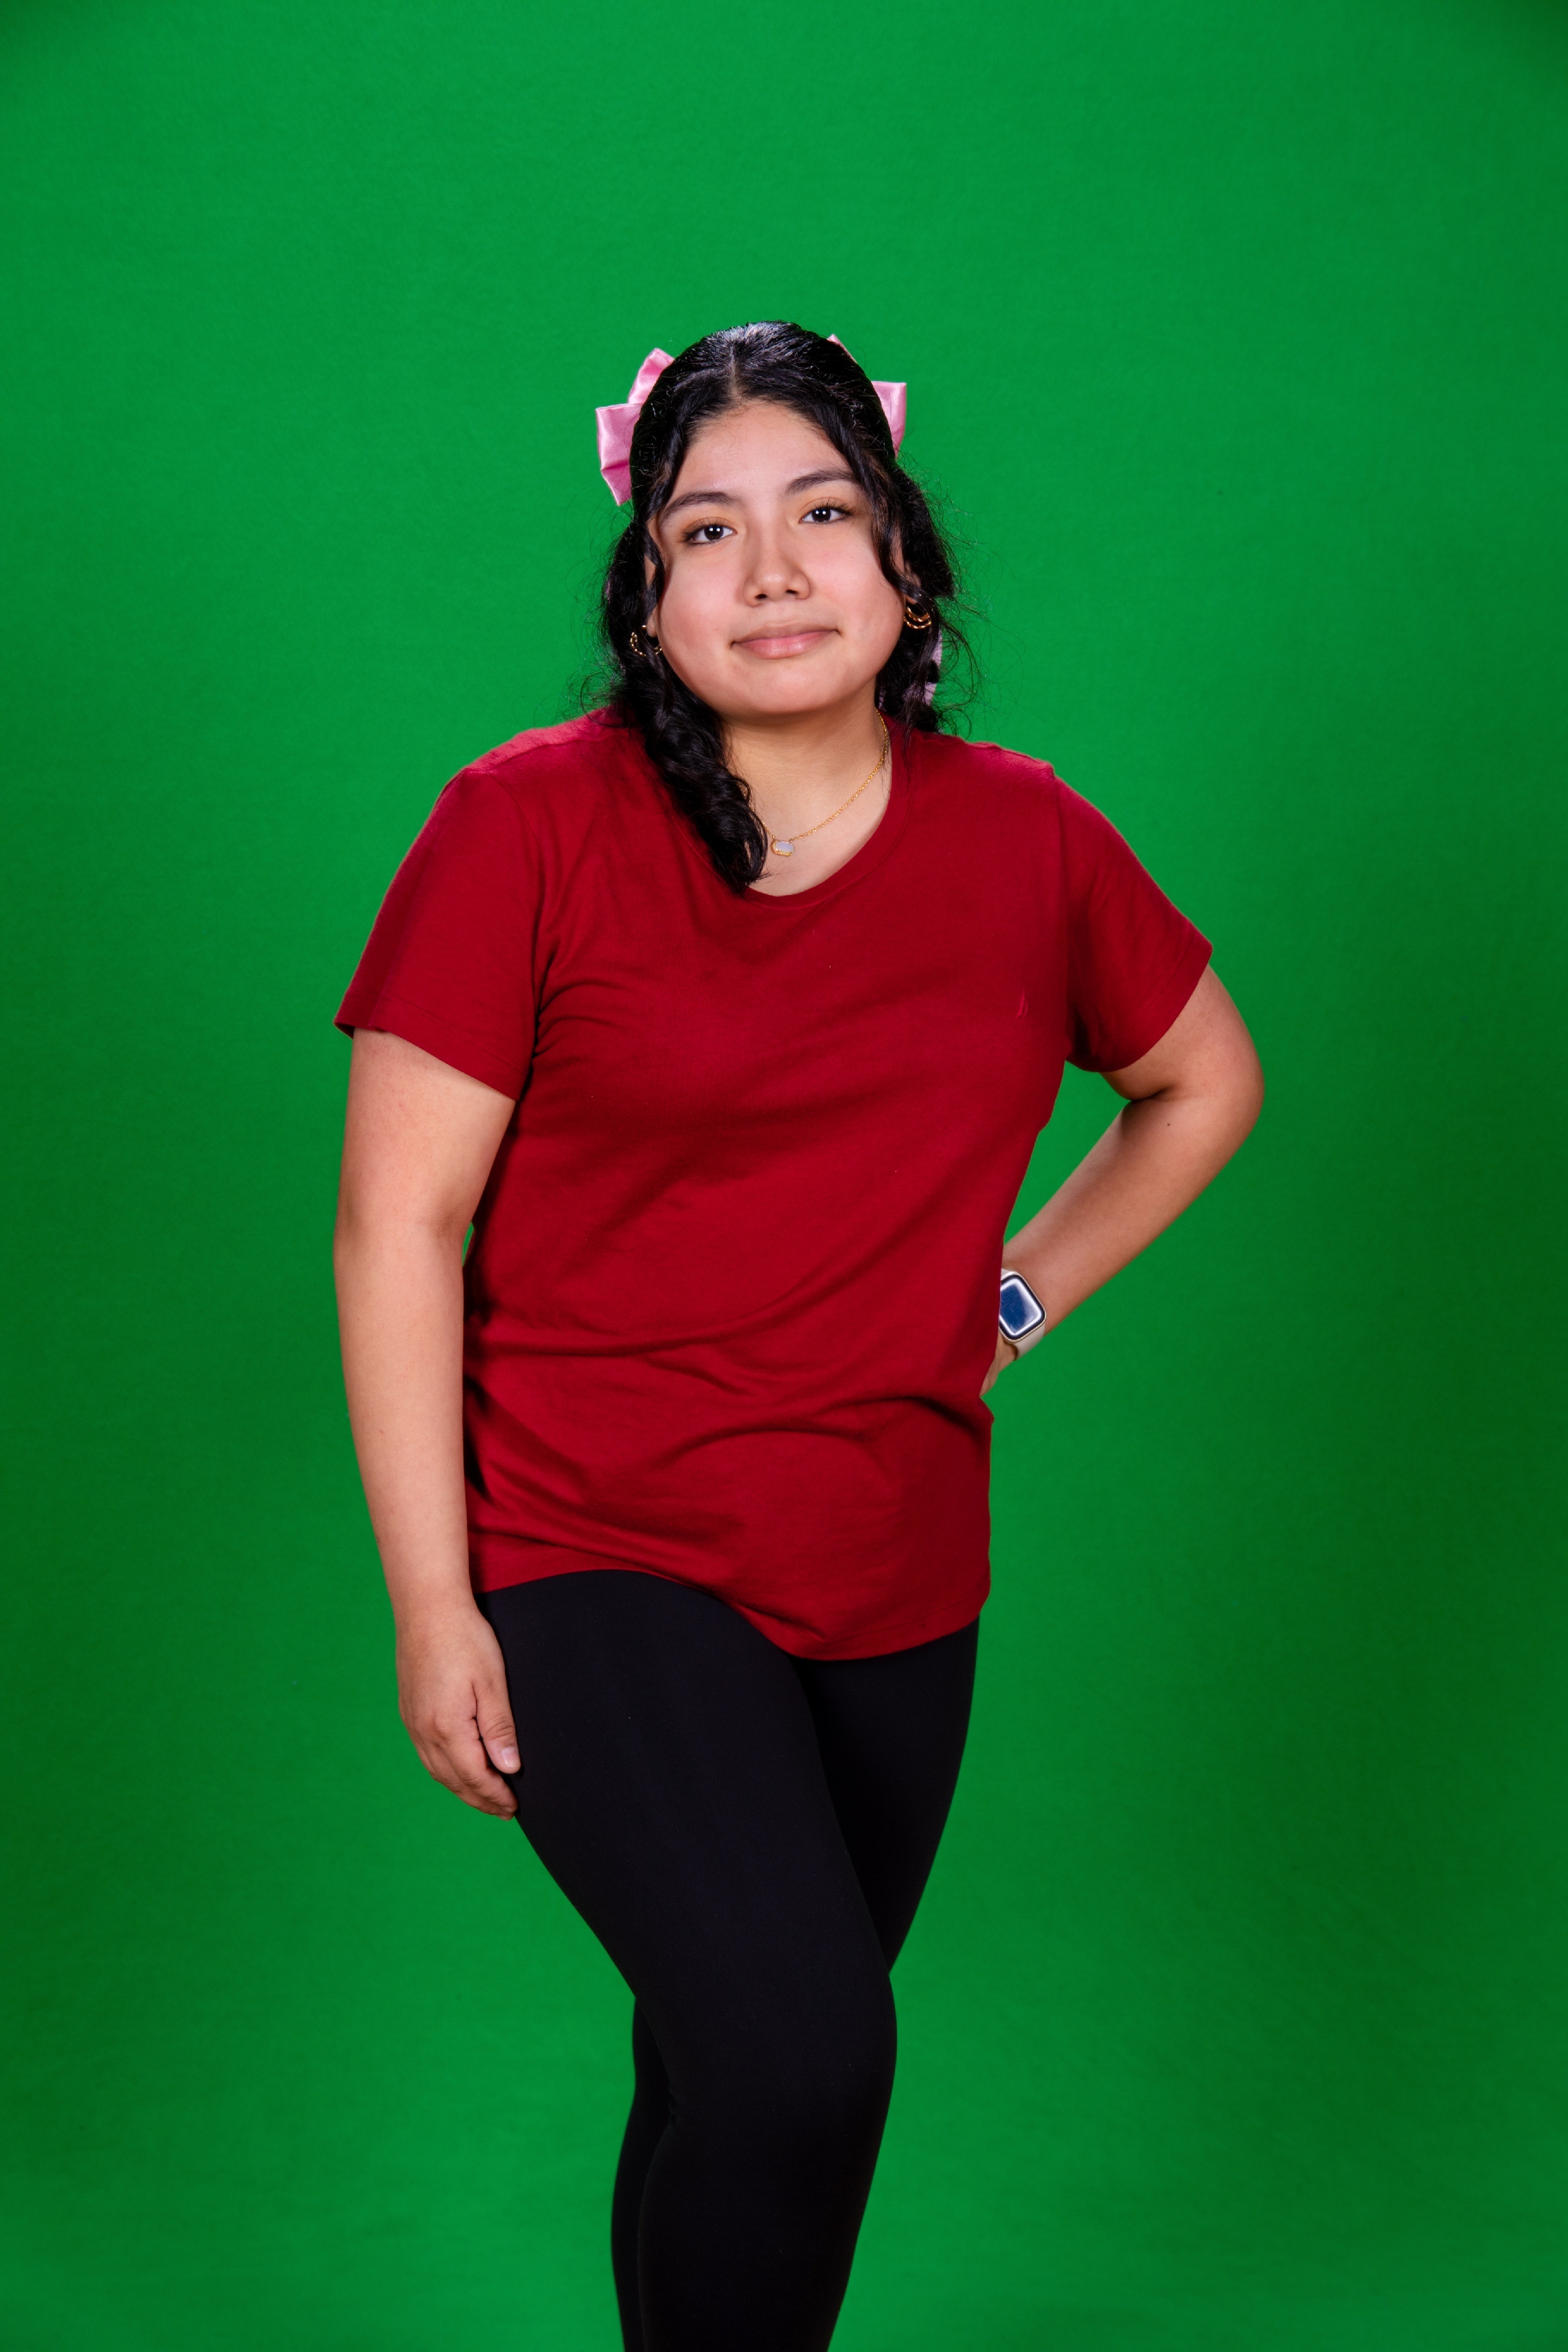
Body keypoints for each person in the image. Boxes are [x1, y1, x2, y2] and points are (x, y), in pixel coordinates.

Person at [332, 321, 1263, 2351]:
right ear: (645, 595)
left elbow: (1204, 1080)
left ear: (905, 561)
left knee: (739, 2083)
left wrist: (1011, 1298)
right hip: (595, 1541)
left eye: (825, 513)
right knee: (801, 2057)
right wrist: (432, 1600)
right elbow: (398, 1222)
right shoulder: (523, 826)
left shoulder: (1029, 838)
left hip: (894, 1559)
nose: (771, 571)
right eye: (707, 530)